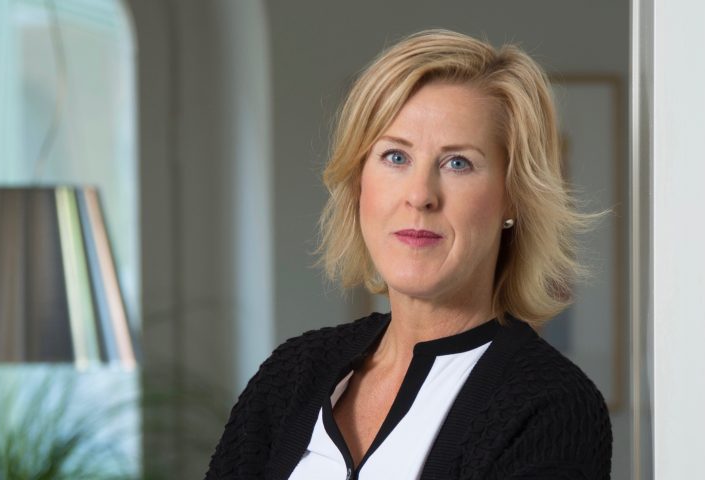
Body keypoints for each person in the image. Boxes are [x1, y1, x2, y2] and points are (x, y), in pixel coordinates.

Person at [206, 29, 612, 480]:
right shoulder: (293, 373)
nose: (420, 196)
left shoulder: (552, 405)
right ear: (359, 182)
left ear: (513, 197)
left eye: (457, 163)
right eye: (396, 157)